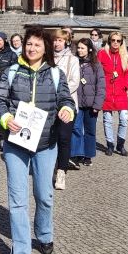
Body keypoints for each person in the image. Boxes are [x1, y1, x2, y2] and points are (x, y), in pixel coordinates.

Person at [0, 27, 75, 254]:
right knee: (17, 200)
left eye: (37, 45)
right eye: (29, 44)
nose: (31, 49)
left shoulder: (55, 73)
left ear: (45, 48)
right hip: (15, 144)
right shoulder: (11, 72)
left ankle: (44, 233)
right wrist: (5, 118)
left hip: (46, 144)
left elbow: (66, 100)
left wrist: (67, 111)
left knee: (44, 195)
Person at [51, 29, 80, 190]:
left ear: (66, 42)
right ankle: (49, 167)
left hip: (67, 105)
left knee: (64, 138)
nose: (57, 43)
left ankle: (61, 171)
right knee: (49, 138)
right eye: (55, 40)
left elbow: (74, 82)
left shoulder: (73, 60)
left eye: (60, 40)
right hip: (48, 104)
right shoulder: (46, 58)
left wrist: (58, 92)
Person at [71, 38, 105, 166]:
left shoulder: (96, 65)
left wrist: (97, 104)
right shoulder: (74, 63)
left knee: (90, 131)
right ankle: (77, 154)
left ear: (89, 49)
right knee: (76, 128)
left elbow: (101, 85)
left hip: (91, 105)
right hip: (77, 103)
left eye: (82, 48)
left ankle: (88, 155)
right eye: (78, 48)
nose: (79, 50)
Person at [98, 31, 128, 157]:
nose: (115, 43)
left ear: (121, 42)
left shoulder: (125, 55)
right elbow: (97, 70)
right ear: (109, 41)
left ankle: (121, 144)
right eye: (113, 40)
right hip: (107, 91)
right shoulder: (102, 53)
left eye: (118, 41)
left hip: (120, 92)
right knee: (107, 119)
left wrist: (126, 85)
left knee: (124, 118)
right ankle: (110, 144)